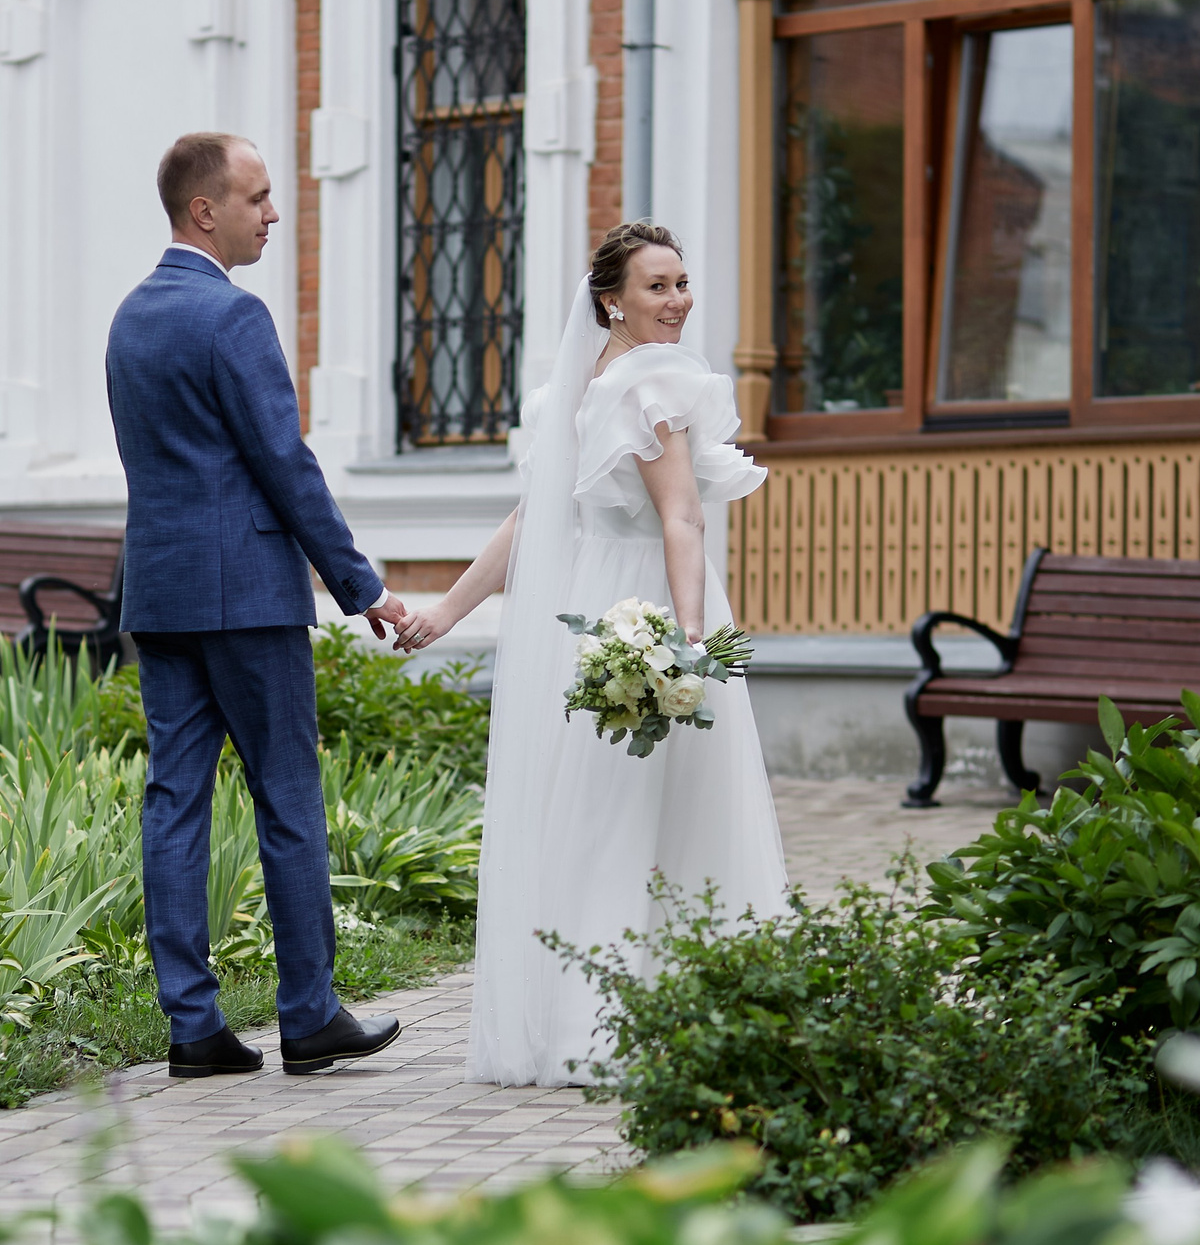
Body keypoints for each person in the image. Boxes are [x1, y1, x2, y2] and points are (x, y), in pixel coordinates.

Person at [394, 222, 789, 1087]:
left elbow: (540, 521)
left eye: (683, 281)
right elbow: (677, 516)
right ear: (611, 299)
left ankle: (597, 1020)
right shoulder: (648, 384)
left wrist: (449, 612)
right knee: (644, 814)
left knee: (608, 814)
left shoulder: (586, 388)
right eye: (657, 286)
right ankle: (648, 1020)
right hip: (645, 603)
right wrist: (688, 639)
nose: (679, 299)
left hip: (600, 603)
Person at [105, 131, 415, 1078]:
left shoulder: (129, 317)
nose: (274, 215)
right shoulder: (231, 318)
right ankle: (310, 1012)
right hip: (247, 597)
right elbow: (284, 463)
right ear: (207, 210)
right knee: (286, 796)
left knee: (174, 800)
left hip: (161, 592)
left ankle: (192, 1026)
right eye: (259, 198)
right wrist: (360, 583)